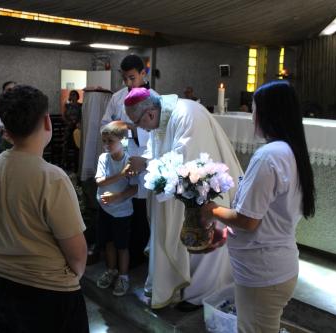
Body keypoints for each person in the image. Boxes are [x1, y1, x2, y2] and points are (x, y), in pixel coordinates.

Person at [199, 81, 316, 333]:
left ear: (268, 113)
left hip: (263, 274)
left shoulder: (269, 156)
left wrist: (211, 210)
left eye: (254, 109)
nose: (253, 116)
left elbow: (248, 220)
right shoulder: (290, 150)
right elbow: (264, 214)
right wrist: (227, 231)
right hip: (274, 267)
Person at [0, 85, 89, 332]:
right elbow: (78, 255)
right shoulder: (52, 177)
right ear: (47, 121)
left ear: (6, 131)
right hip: (49, 289)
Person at [124, 87, 244, 310]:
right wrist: (143, 160)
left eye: (138, 122)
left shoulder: (187, 115)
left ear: (149, 113)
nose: (139, 128)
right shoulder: (160, 119)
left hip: (203, 194)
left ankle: (199, 294)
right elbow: (156, 150)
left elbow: (185, 160)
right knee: (183, 240)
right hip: (178, 193)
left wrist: (146, 165)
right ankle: (177, 287)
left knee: (203, 245)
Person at [100, 54, 153, 270]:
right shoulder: (118, 96)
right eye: (125, 79)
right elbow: (105, 122)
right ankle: (118, 258)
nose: (129, 83)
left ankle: (137, 257)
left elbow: (156, 132)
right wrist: (115, 128)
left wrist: (131, 129)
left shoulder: (154, 98)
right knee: (120, 206)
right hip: (119, 158)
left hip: (142, 158)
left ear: (143, 73)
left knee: (140, 209)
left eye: (132, 77)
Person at [95, 121, 137, 296]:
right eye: (104, 141)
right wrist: (120, 174)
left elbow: (135, 188)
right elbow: (99, 181)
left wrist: (117, 197)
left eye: (110, 141)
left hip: (121, 211)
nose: (106, 145)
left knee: (122, 245)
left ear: (122, 140)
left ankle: (123, 276)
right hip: (105, 209)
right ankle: (111, 271)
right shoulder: (103, 158)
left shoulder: (130, 160)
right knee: (109, 242)